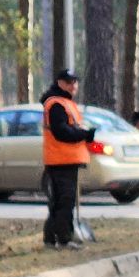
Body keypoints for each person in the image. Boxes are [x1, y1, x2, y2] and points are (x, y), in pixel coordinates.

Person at [40, 68, 96, 249]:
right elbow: (61, 132)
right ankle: (64, 239)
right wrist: (84, 134)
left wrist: (84, 133)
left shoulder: (64, 102)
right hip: (61, 160)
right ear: (60, 83)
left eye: (75, 82)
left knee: (59, 201)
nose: (73, 86)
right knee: (65, 201)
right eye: (69, 82)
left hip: (65, 159)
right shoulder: (56, 104)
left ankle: (51, 238)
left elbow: (69, 128)